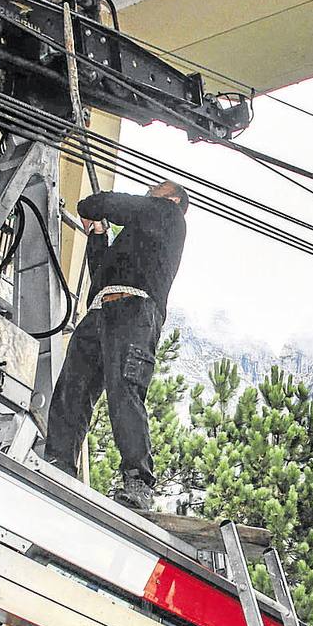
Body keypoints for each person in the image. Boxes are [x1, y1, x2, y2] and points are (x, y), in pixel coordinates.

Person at [43, 180, 189, 508]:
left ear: (175, 198)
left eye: (159, 187)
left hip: (135, 310)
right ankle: (58, 464)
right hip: (103, 308)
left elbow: (103, 203)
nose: (151, 187)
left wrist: (90, 211)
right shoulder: (143, 232)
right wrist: (97, 236)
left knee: (123, 389)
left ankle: (139, 481)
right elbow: (102, 273)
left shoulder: (168, 215)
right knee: (73, 391)